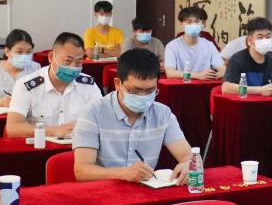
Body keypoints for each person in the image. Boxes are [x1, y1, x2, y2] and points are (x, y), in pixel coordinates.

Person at [73, 49, 193, 183]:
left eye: (150, 91)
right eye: (135, 91)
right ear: (118, 84)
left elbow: (187, 156)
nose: (142, 97)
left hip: (145, 190)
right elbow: (82, 171)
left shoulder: (162, 114)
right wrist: (123, 173)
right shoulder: (93, 113)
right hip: (104, 190)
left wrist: (189, 166)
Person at [6, 32, 102, 139]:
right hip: (41, 147)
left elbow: (103, 119)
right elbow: (13, 128)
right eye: (67, 61)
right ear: (51, 57)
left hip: (78, 146)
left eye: (79, 62)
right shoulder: (27, 85)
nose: (73, 67)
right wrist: (53, 131)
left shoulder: (88, 85)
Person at [223, 18, 272, 96]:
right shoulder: (237, 59)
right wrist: (260, 90)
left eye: (268, 36)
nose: (265, 40)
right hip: (245, 103)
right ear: (250, 40)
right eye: (260, 37)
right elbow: (226, 88)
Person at [0, 29, 40, 107]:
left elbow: (41, 99)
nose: (24, 56)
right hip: (0, 114)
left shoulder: (35, 68)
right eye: (19, 52)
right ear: (7, 51)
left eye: (28, 52)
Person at [164, 6, 225, 79]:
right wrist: (197, 76)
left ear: (202, 23)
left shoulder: (209, 45)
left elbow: (224, 70)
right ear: (181, 24)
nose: (193, 25)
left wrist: (213, 76)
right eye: (189, 22)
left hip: (205, 84)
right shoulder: (172, 46)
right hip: (181, 85)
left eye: (197, 22)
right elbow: (170, 73)